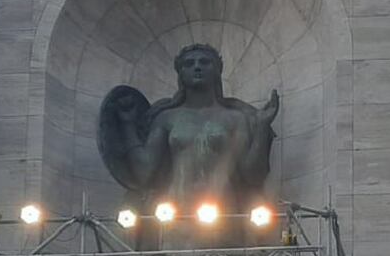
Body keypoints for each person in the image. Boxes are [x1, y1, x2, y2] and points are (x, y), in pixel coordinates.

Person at [101, 43, 280, 212]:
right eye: (189, 63)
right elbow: (144, 172)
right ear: (181, 74)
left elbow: (254, 175)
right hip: (175, 210)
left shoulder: (235, 118)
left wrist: (262, 128)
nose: (197, 67)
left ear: (217, 71)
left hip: (224, 212)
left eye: (204, 62)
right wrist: (127, 125)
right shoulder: (167, 117)